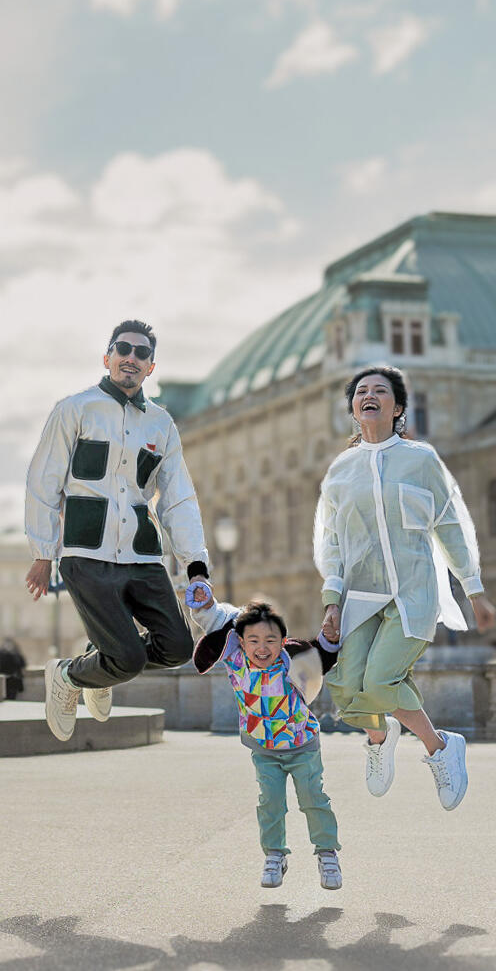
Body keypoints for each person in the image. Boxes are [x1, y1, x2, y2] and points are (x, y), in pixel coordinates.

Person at [314, 365, 496, 811]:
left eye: (380, 391)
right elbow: (332, 542)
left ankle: (440, 747)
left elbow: (450, 524)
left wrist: (473, 588)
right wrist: (332, 601)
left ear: (397, 408)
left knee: (380, 681)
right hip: (359, 596)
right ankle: (380, 735)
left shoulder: (421, 460)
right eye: (361, 391)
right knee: (343, 688)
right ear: (354, 409)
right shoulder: (340, 472)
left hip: (413, 594)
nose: (369, 395)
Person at [25, 319, 210, 741]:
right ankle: (70, 676)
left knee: (179, 648)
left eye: (141, 353)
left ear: (151, 367)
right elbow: (43, 480)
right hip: (86, 554)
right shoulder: (75, 409)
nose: (131, 357)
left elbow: (179, 497)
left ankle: (90, 667)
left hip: (142, 556)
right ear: (107, 357)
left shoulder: (162, 424)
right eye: (122, 349)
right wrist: (42, 552)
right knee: (125, 658)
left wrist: (195, 565)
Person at [186, 585, 343, 891]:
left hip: (302, 745)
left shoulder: (289, 660)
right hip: (264, 749)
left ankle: (327, 852)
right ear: (241, 643)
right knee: (270, 802)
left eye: (270, 640)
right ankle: (274, 854)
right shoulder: (234, 661)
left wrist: (330, 638)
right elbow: (216, 620)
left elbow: (321, 656)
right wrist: (204, 602)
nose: (262, 647)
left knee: (313, 798)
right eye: (253, 640)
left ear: (282, 641)